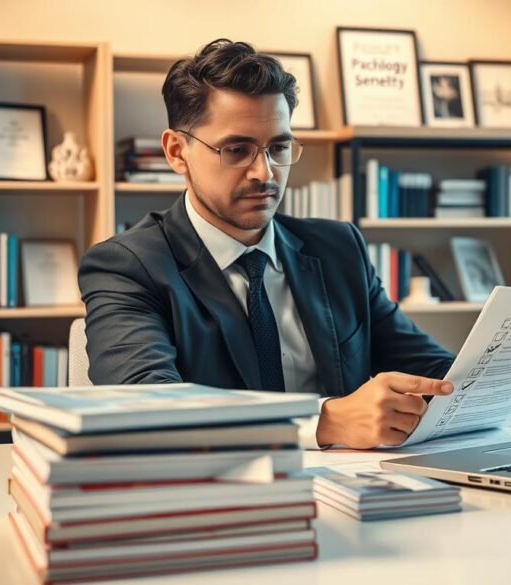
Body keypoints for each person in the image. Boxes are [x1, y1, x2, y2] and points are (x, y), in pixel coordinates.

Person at [78, 39, 455, 449]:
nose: (265, 172)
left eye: (278, 147)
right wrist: (323, 422)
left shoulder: (338, 248)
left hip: (353, 489)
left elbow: (436, 371)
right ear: (176, 152)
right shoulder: (126, 266)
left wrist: (500, 370)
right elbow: (145, 411)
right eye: (237, 149)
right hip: (219, 496)